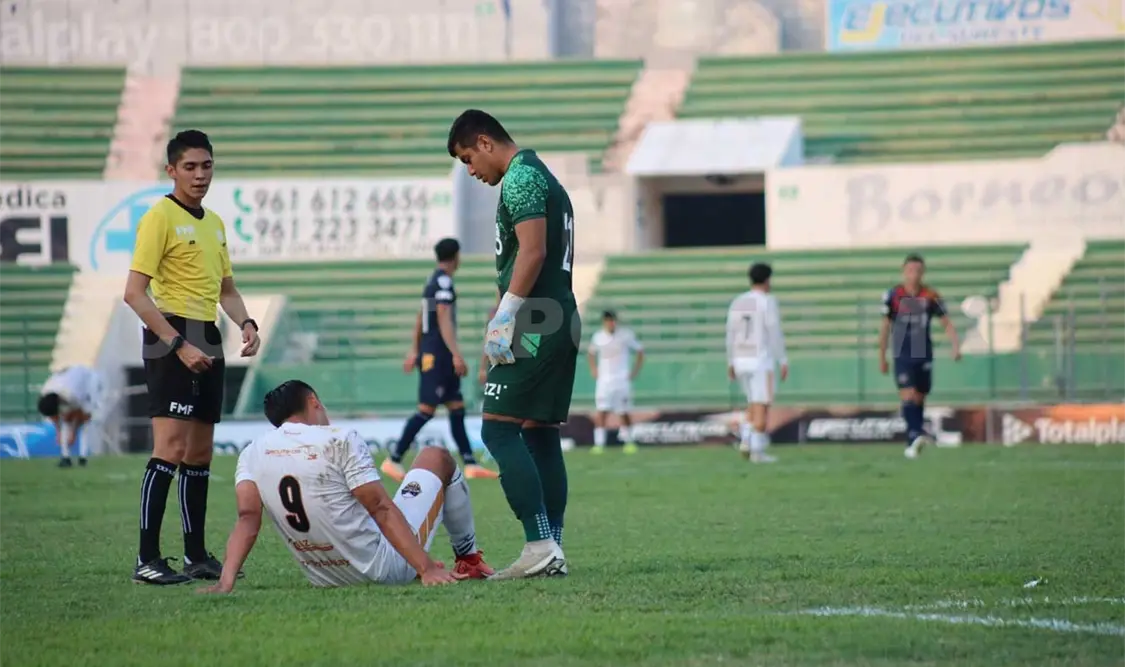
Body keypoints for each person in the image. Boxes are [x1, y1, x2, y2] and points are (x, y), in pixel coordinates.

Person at [123, 129, 262, 585]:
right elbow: (134, 293)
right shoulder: (159, 216)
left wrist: (246, 323)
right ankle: (147, 558)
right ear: (172, 171)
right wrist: (177, 345)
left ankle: (196, 556)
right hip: (171, 333)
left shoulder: (215, 223)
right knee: (170, 448)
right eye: (190, 167)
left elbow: (227, 290)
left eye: (206, 166)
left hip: (208, 335)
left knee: (199, 454)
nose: (200, 175)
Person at [198, 380, 493, 593]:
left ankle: (419, 560)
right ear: (314, 401)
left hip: (324, 577)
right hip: (381, 569)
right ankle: (468, 560)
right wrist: (425, 568)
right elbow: (380, 508)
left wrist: (226, 581)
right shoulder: (339, 438)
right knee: (435, 456)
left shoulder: (252, 451)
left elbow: (248, 520)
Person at [447, 109, 578, 579]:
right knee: (539, 432)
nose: (471, 171)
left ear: (485, 142)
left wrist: (506, 312)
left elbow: (533, 250)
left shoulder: (520, 178)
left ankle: (539, 543)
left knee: (498, 431)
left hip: (534, 319)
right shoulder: (546, 176)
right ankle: (553, 548)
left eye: (467, 158)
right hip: (559, 315)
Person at [382, 237, 499, 482]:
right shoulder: (444, 282)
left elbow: (421, 315)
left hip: (431, 351)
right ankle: (393, 459)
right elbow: (443, 316)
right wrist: (455, 353)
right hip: (438, 354)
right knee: (426, 409)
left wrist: (414, 349)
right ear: (456, 257)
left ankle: (469, 463)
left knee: (456, 407)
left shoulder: (432, 280)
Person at [878, 254, 961, 459]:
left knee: (919, 395)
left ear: (922, 273)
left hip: (923, 351)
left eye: (918, 271)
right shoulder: (894, 295)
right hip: (902, 351)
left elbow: (946, 322)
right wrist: (882, 355)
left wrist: (956, 346)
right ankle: (914, 436)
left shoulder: (930, 295)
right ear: (903, 271)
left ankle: (915, 437)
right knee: (907, 394)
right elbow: (885, 327)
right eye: (910, 270)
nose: (913, 275)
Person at [726, 263, 788, 463]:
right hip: (760, 360)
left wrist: (730, 361)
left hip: (740, 359)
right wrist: (783, 359)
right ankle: (751, 445)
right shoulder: (767, 302)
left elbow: (730, 333)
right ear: (768, 280)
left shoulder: (738, 301)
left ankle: (751, 445)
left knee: (753, 404)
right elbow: (774, 332)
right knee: (763, 406)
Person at [587, 310, 644, 455]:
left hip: (621, 380)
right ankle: (599, 444)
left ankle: (629, 442)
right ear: (604, 322)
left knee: (624, 411)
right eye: (608, 320)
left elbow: (640, 351)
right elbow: (591, 353)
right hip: (604, 381)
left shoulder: (625, 335)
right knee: (602, 411)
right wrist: (594, 370)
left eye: (612, 320)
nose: (610, 323)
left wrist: (634, 372)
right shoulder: (598, 337)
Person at [37, 365, 104, 468]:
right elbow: (55, 415)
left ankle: (83, 458)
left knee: (85, 423)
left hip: (88, 383)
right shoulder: (46, 392)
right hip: (71, 384)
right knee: (65, 422)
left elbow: (81, 415)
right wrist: (58, 432)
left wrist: (73, 432)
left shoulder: (72, 394)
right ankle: (66, 458)